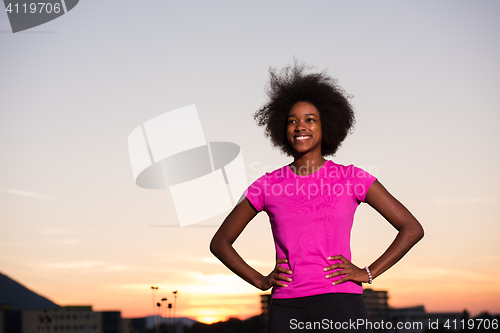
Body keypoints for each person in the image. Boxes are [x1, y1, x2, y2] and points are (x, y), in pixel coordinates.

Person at [210, 62, 424, 332]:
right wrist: (261, 281)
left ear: (326, 125)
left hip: (342, 305)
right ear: (283, 129)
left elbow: (412, 228)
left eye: (310, 119)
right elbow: (220, 242)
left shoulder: (352, 178)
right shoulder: (266, 185)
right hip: (287, 309)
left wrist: (368, 273)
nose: (300, 127)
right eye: (292, 121)